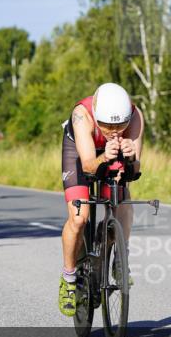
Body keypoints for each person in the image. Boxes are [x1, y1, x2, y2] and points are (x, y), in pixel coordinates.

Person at [57, 83, 144, 317]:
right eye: (107, 126)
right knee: (79, 218)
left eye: (120, 125)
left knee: (121, 199)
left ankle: (119, 257)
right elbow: (87, 166)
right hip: (80, 153)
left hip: (110, 154)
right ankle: (68, 278)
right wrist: (104, 155)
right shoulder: (81, 115)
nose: (115, 131)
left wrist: (131, 156)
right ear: (97, 117)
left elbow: (135, 170)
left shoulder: (135, 117)